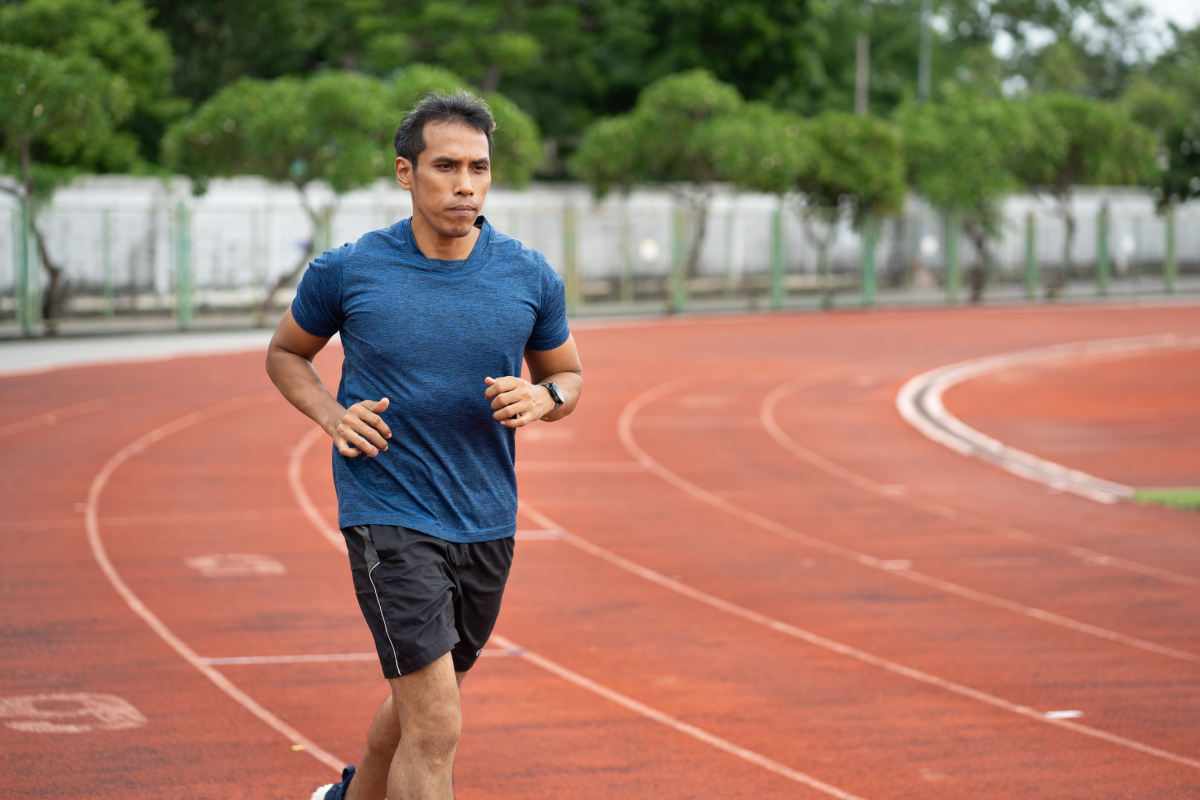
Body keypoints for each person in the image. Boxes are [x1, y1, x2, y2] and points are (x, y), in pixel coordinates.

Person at [265, 89, 583, 800]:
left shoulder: (528, 276)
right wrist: (330, 413)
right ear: (406, 173)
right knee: (438, 725)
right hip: (389, 512)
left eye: (479, 167)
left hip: (487, 516)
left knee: (421, 706)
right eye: (446, 166)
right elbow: (287, 354)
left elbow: (567, 374)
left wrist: (543, 399)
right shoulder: (349, 270)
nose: (465, 184)